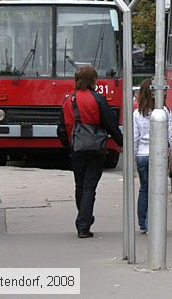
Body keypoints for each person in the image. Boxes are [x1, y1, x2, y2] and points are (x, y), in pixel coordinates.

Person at [57, 65, 123, 238]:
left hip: (76, 148)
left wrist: (69, 146)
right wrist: (120, 142)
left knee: (80, 185)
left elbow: (61, 129)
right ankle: (83, 223)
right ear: (93, 80)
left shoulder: (68, 100)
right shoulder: (98, 99)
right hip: (96, 147)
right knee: (89, 187)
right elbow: (110, 123)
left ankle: (84, 217)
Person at [133, 78, 172, 234]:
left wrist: (134, 159)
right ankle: (152, 222)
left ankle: (143, 222)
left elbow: (134, 138)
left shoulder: (136, 114)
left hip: (142, 156)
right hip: (157, 156)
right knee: (157, 191)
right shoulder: (164, 112)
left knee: (144, 189)